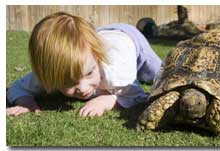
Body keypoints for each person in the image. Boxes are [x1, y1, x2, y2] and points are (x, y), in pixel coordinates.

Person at [6, 12, 162, 117]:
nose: (83, 88)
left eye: (89, 73)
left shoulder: (115, 71)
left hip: (129, 38)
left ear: (97, 57)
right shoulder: (51, 72)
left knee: (159, 75)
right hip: (100, 34)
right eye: (69, 82)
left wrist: (108, 101)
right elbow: (17, 88)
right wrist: (26, 102)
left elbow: (138, 98)